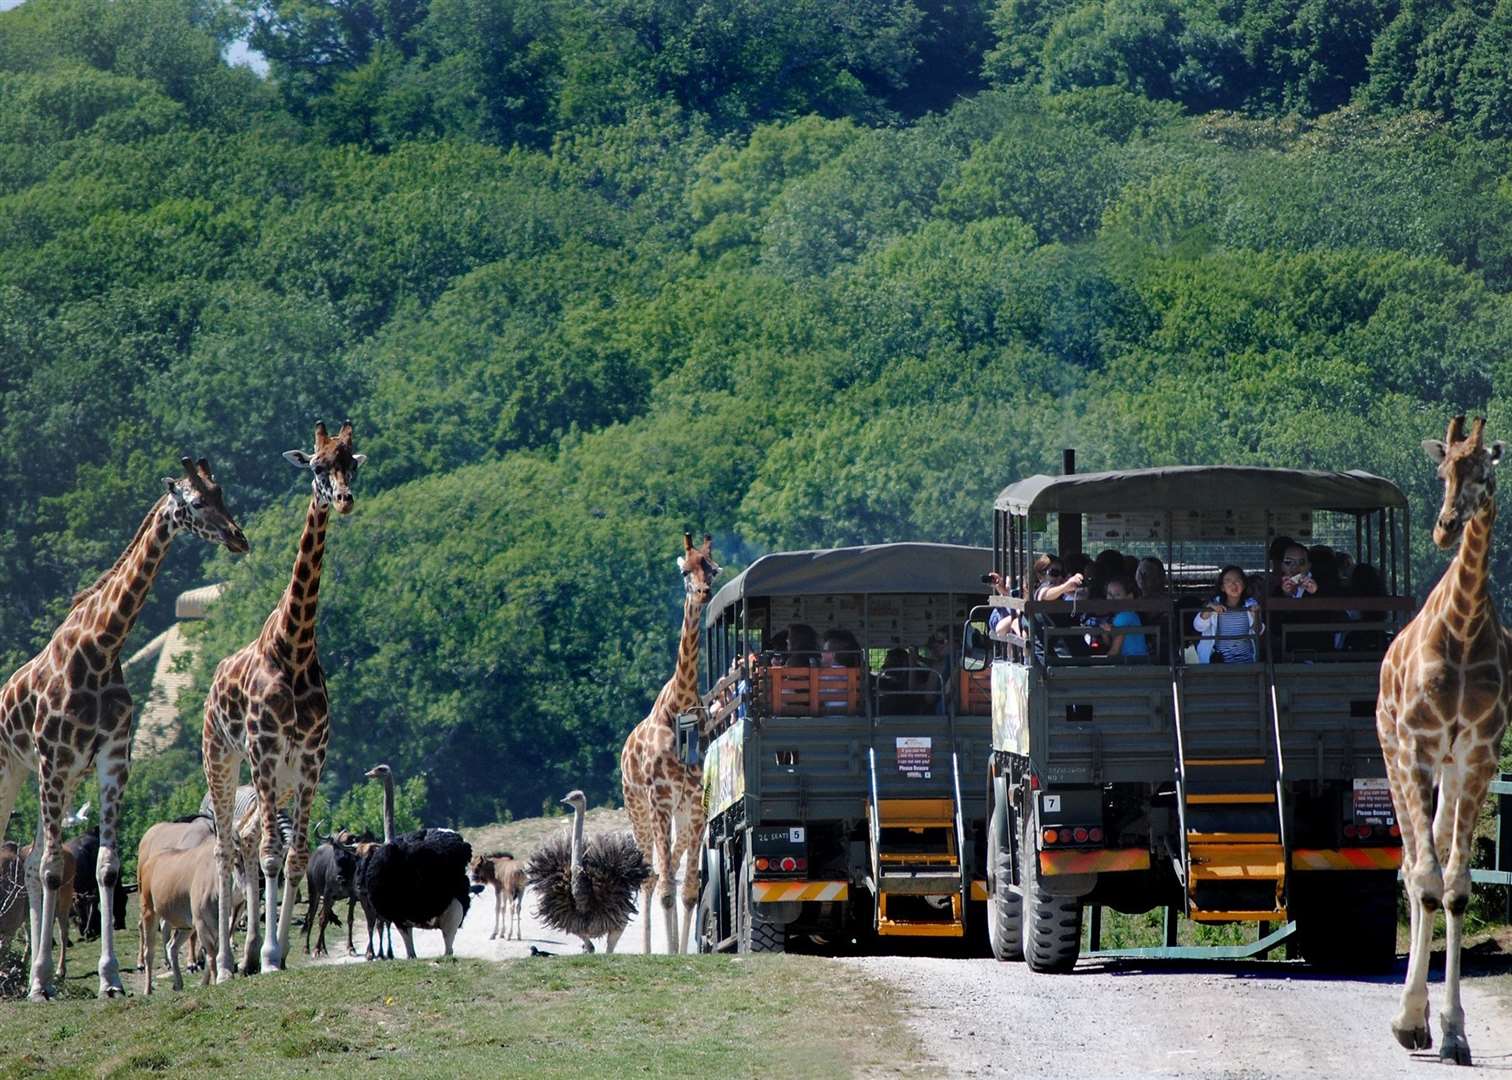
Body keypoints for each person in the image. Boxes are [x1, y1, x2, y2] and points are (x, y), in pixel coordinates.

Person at [1193, 565, 1261, 663]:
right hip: (1219, 663)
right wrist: (1209, 610)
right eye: (1228, 581)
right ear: (1222, 587)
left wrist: (1256, 616)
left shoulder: (1251, 604)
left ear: (1244, 584)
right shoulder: (1214, 604)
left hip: (1246, 662)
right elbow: (1198, 626)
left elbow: (1258, 631)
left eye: (1238, 580)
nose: (1233, 585)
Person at [1095, 576, 1148, 661]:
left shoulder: (1124, 616)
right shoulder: (1121, 616)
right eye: (1109, 594)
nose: (1111, 599)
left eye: (1117, 595)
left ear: (1129, 597)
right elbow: (1112, 644)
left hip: (1133, 664)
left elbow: (1115, 651)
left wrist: (1097, 666)